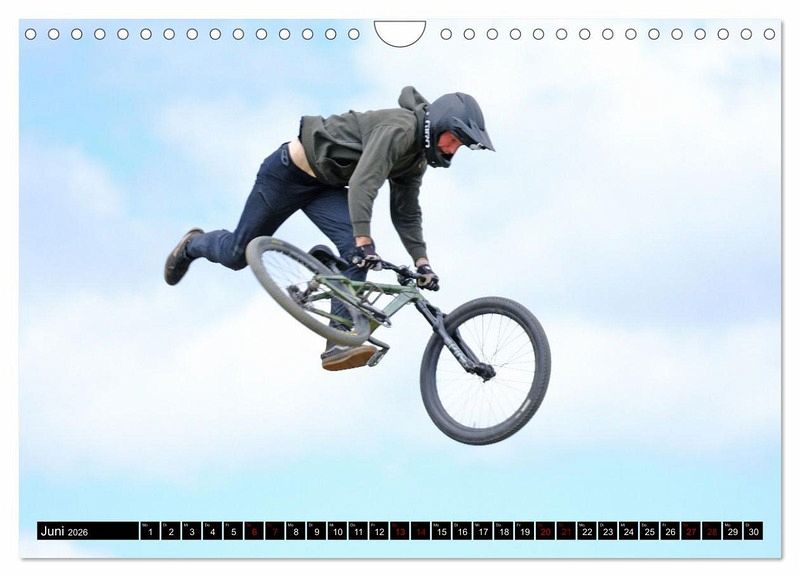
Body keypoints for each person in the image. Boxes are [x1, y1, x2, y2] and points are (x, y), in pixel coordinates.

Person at [164, 86, 494, 371]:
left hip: (324, 187)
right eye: (454, 140)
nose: (452, 149)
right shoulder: (400, 129)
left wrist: (422, 262)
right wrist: (364, 239)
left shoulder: (415, 158)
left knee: (355, 254)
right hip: (287, 174)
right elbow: (365, 181)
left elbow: (406, 212)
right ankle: (192, 245)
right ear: (439, 125)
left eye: (460, 146)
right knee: (237, 255)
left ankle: (338, 340)